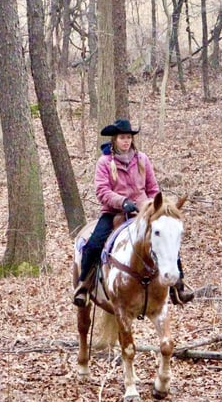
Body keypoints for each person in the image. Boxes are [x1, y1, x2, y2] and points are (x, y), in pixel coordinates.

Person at [73, 118, 194, 307]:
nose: (126, 141)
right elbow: (102, 191)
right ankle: (84, 285)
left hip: (144, 211)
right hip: (114, 213)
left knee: (167, 240)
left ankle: (178, 287)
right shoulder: (104, 162)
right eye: (122, 137)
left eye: (128, 137)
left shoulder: (142, 159)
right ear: (114, 139)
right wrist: (122, 202)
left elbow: (153, 188)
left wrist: (155, 205)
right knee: (94, 244)